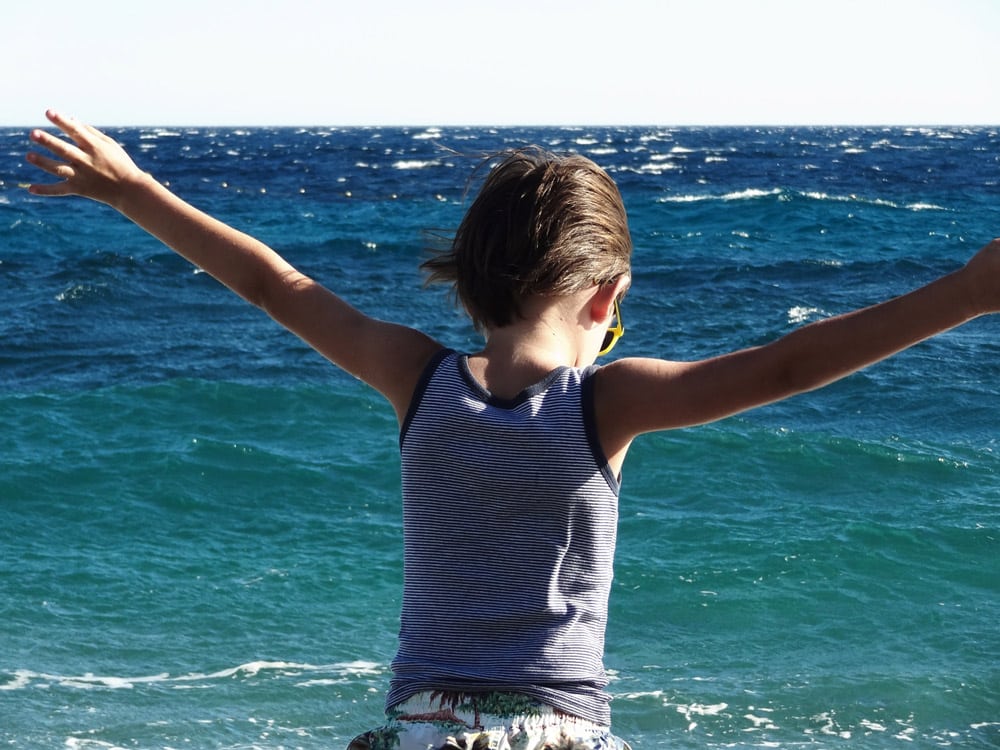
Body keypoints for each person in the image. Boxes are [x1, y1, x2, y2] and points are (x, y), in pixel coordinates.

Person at [25, 110, 999, 750]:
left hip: (420, 731)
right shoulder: (607, 403)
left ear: (466, 278)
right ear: (607, 296)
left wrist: (131, 190)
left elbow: (273, 281)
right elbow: (789, 363)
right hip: (558, 732)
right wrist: (963, 293)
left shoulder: (414, 376)